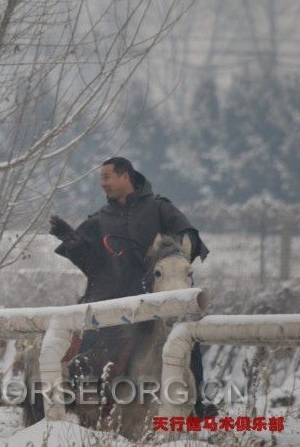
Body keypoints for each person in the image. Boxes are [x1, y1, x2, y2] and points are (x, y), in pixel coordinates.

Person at [49, 156, 213, 417]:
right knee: (86, 352)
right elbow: (92, 266)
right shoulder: (99, 220)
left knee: (187, 345)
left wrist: (175, 251)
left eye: (107, 177)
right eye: (101, 179)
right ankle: (77, 403)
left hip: (158, 301)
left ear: (125, 176)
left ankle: (198, 405)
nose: (102, 184)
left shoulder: (160, 208)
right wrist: (72, 241)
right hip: (109, 302)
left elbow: (189, 238)